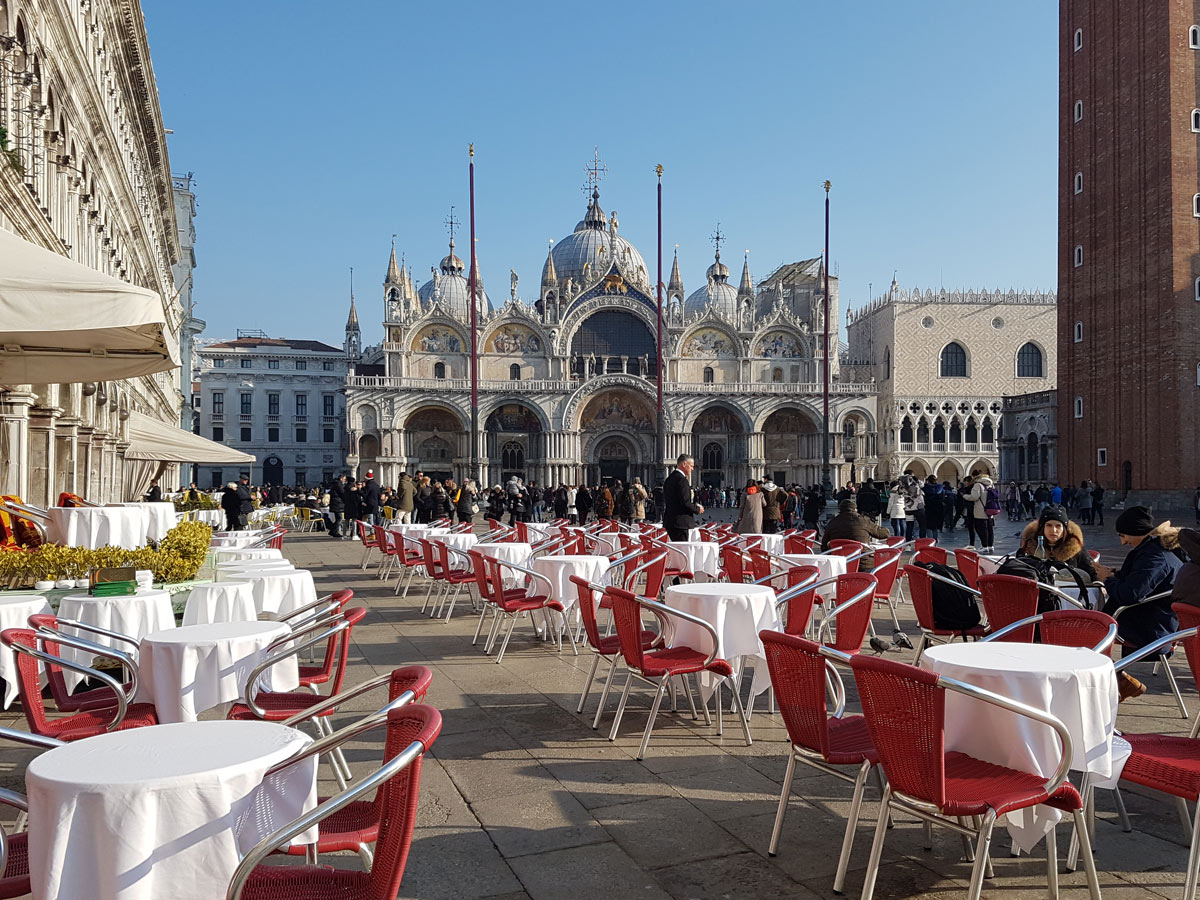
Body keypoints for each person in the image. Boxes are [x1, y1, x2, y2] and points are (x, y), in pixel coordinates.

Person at [1096, 506, 1184, 700]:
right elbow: (1143, 582)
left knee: (1087, 629)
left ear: (1135, 532)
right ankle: (1117, 679)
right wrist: (1116, 575)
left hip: (1150, 627)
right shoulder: (1155, 550)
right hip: (1153, 618)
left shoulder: (1154, 557)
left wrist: (1107, 580)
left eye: (1124, 535)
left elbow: (1131, 594)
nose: (1123, 541)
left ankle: (1114, 680)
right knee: (1091, 626)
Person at [1018, 505, 1097, 580]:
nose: (1053, 530)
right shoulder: (1027, 549)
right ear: (1042, 528)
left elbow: (1093, 574)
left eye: (1058, 526)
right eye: (1049, 525)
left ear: (1064, 529)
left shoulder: (1077, 552)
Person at [820, 498, 891, 555]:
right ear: (855, 509)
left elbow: (824, 546)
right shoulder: (863, 520)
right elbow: (884, 534)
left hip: (839, 562)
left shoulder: (833, 522)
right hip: (861, 560)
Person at [663, 453, 704, 542]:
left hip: (671, 521)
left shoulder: (669, 478)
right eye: (691, 466)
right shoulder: (682, 480)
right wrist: (697, 509)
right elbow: (685, 502)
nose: (692, 469)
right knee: (682, 550)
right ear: (684, 464)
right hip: (680, 523)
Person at [964, 471, 998, 553]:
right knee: (990, 529)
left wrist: (965, 496)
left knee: (982, 529)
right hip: (989, 509)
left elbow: (974, 497)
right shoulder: (991, 485)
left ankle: (984, 546)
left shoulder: (978, 485)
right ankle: (990, 546)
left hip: (980, 510)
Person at [328, 473, 347, 538]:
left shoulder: (335, 484)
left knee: (337, 518)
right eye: (344, 479)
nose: (345, 481)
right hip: (338, 503)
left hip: (335, 503)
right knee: (339, 518)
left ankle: (333, 531)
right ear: (341, 478)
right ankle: (334, 531)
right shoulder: (339, 485)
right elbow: (342, 493)